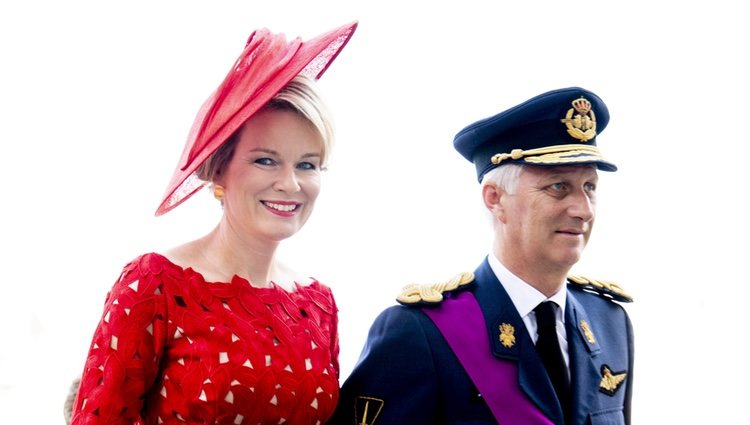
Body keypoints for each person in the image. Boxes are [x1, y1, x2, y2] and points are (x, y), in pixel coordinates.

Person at [68, 21, 357, 425]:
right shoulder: (154, 284)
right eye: (265, 160)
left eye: (307, 164)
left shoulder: (318, 304)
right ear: (218, 171)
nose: (290, 183)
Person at [331, 87, 634, 425]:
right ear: (495, 199)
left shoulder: (609, 321)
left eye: (590, 187)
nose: (583, 209)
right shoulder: (422, 332)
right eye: (558, 187)